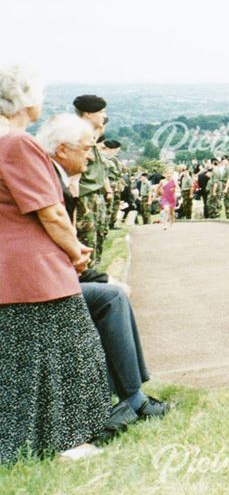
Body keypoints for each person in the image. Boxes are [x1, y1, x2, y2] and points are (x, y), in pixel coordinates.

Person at [0, 66, 109, 464]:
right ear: (25, 100)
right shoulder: (18, 144)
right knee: (71, 351)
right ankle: (66, 440)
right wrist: (76, 250)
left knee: (20, 365)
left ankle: (27, 441)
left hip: (7, 271)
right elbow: (51, 213)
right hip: (35, 268)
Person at [38, 114, 171, 422]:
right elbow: (54, 247)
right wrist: (98, 276)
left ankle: (130, 395)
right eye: (85, 149)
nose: (90, 155)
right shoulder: (49, 181)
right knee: (111, 297)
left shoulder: (55, 178)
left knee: (108, 292)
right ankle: (133, 399)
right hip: (37, 285)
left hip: (45, 277)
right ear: (62, 150)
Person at [72, 94, 111, 273]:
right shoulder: (76, 135)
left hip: (96, 195)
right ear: (88, 113)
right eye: (101, 112)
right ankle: (87, 281)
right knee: (88, 241)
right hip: (84, 197)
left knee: (99, 236)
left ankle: (95, 277)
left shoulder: (90, 134)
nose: (104, 115)